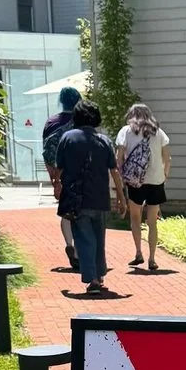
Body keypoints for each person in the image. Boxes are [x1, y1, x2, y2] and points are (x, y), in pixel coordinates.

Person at [56, 100, 127, 295]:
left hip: (77, 199)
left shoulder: (68, 138)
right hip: (100, 198)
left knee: (84, 239)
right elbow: (114, 171)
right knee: (99, 239)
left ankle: (93, 279)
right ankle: (100, 273)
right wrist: (121, 197)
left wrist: (57, 185)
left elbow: (59, 167)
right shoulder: (103, 140)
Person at [116, 104, 171, 272]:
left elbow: (118, 158)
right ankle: (152, 258)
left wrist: (121, 178)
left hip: (135, 182)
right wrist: (164, 177)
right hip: (156, 181)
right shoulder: (159, 132)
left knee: (135, 217)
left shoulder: (126, 131)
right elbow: (167, 159)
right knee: (152, 222)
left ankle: (139, 252)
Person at [42, 85, 82, 269]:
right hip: (79, 172)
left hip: (59, 173)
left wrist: (54, 180)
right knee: (81, 212)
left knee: (65, 211)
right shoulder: (81, 122)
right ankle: (81, 252)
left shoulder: (51, 122)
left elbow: (47, 152)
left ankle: (69, 245)